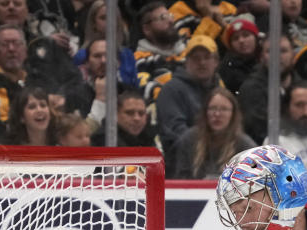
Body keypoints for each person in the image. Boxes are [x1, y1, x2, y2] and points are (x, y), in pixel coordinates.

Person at [155, 34, 221, 171]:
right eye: (196, 58)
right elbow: (175, 132)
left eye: (207, 57)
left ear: (216, 62)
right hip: (181, 170)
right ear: (186, 62)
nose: (202, 62)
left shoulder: (220, 91)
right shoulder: (171, 90)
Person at [169, 87, 255, 179]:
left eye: (224, 109)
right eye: (212, 108)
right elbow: (181, 178)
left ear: (233, 114)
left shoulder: (246, 147)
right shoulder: (189, 139)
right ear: (205, 112)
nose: (217, 114)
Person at [238, 32, 301, 144]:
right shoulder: (250, 90)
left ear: (293, 55)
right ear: (262, 57)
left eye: (283, 51)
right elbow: (260, 132)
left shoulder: (306, 88)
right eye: (270, 51)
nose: (277, 56)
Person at [89, 89, 160, 147]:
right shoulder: (105, 140)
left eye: (141, 113)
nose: (137, 118)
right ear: (115, 115)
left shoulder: (148, 138)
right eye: (129, 113)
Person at [218, 17, 259, 93]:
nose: (241, 40)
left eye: (246, 35)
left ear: (256, 38)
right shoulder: (226, 69)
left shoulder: (267, 59)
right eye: (235, 38)